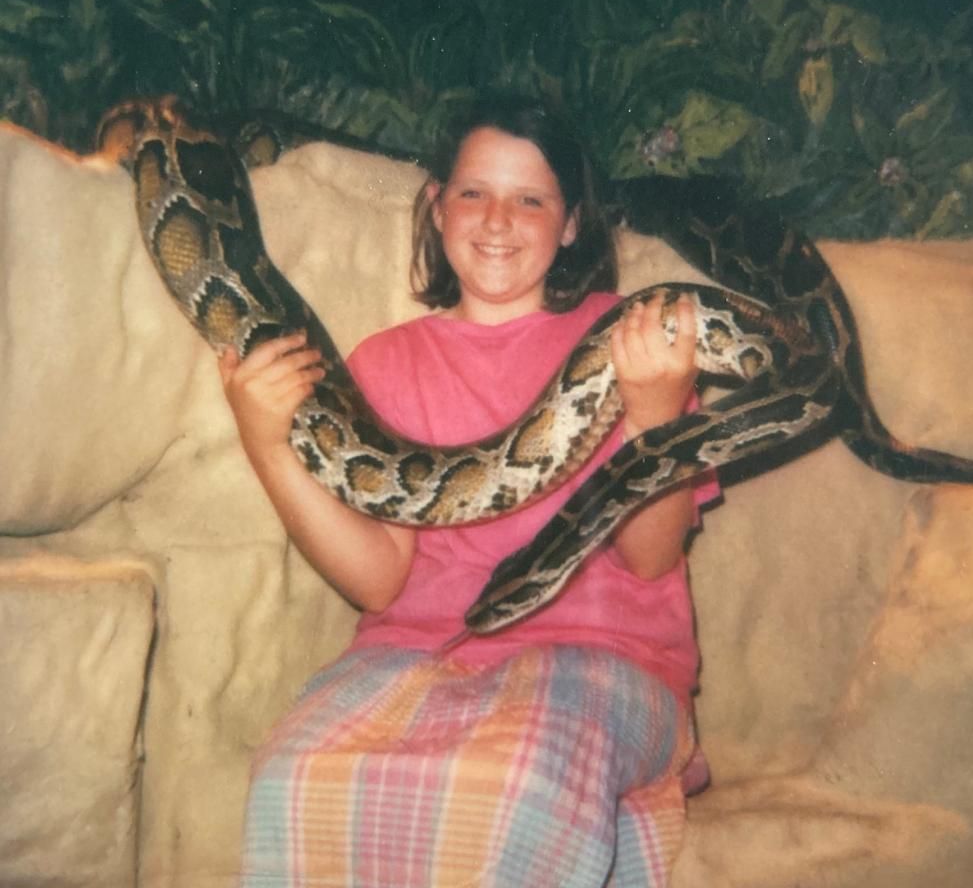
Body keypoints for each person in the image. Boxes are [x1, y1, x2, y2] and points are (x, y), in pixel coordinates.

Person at [220, 95, 720, 887]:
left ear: (571, 224)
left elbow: (653, 560)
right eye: (473, 192)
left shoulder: (632, 340)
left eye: (531, 201)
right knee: (292, 774)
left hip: (603, 654)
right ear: (436, 205)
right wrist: (267, 444)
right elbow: (378, 581)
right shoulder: (384, 363)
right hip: (417, 651)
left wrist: (656, 414)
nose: (497, 221)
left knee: (515, 788)